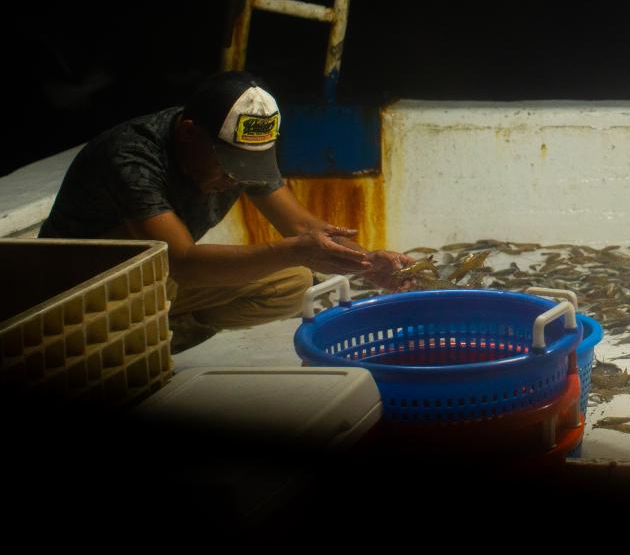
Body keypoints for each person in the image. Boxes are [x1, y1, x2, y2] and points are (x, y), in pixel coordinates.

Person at [38, 71, 411, 351]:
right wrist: (292, 250)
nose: (236, 178)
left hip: (159, 285)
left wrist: (368, 262)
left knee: (292, 284)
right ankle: (133, 335)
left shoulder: (243, 141)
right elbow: (181, 263)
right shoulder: (130, 157)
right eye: (228, 165)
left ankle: (166, 330)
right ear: (188, 133)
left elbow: (301, 227)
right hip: (79, 293)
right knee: (161, 272)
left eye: (249, 167)